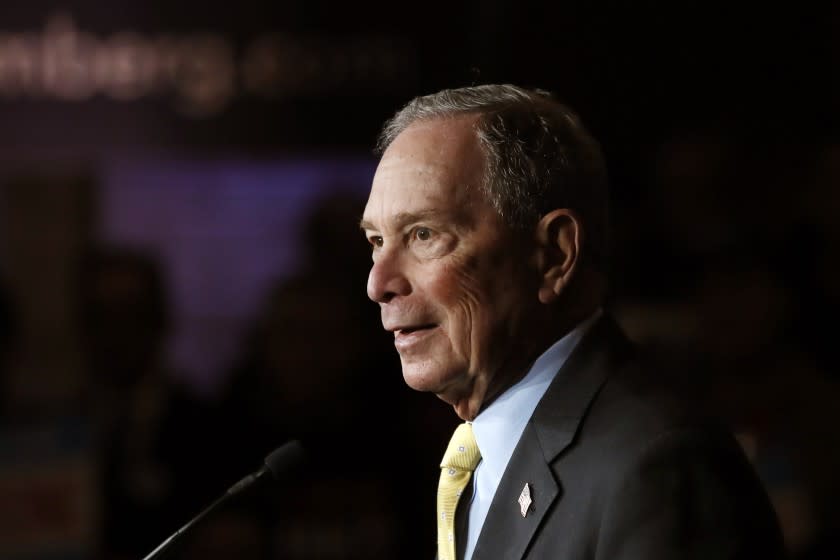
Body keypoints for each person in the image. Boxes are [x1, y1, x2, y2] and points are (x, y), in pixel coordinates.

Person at [360, 84, 786, 560]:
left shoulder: (657, 468)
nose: (379, 284)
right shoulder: (473, 460)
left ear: (553, 255)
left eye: (423, 235)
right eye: (377, 241)